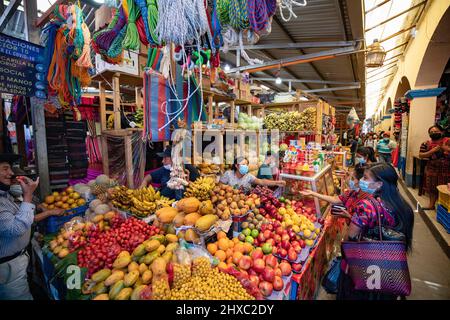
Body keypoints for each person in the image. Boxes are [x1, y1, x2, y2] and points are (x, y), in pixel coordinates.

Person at [337, 163, 414, 300]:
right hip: (389, 271)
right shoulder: (403, 206)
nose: (362, 181)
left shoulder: (367, 206)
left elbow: (351, 236)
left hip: (363, 269)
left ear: (379, 184)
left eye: (366, 178)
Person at [0, 153, 64, 300]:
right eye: (5, 169)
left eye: (10, 169)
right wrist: (28, 195)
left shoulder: (6, 194)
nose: (11, 173)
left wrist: (28, 195)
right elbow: (15, 229)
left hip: (16, 261)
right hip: (8, 268)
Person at [300, 165, 369, 219]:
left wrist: (349, 217)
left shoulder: (366, 201)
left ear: (361, 181)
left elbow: (361, 225)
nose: (350, 180)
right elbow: (335, 199)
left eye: (353, 178)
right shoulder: (352, 192)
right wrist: (313, 193)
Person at [419, 125, 450, 208]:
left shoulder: (448, 141)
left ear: (442, 132)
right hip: (432, 169)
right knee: (432, 188)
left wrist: (445, 148)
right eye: (431, 132)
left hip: (446, 170)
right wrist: (432, 151)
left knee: (445, 189)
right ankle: (431, 205)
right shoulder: (426, 143)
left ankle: (444, 207)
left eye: (436, 132)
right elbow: (421, 155)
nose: (433, 133)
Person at [220, 157, 285, 193]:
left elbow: (261, 181)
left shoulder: (248, 176)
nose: (246, 166)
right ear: (237, 165)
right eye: (243, 164)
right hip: (229, 202)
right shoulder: (228, 174)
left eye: (246, 164)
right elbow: (219, 186)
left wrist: (276, 183)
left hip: (245, 204)